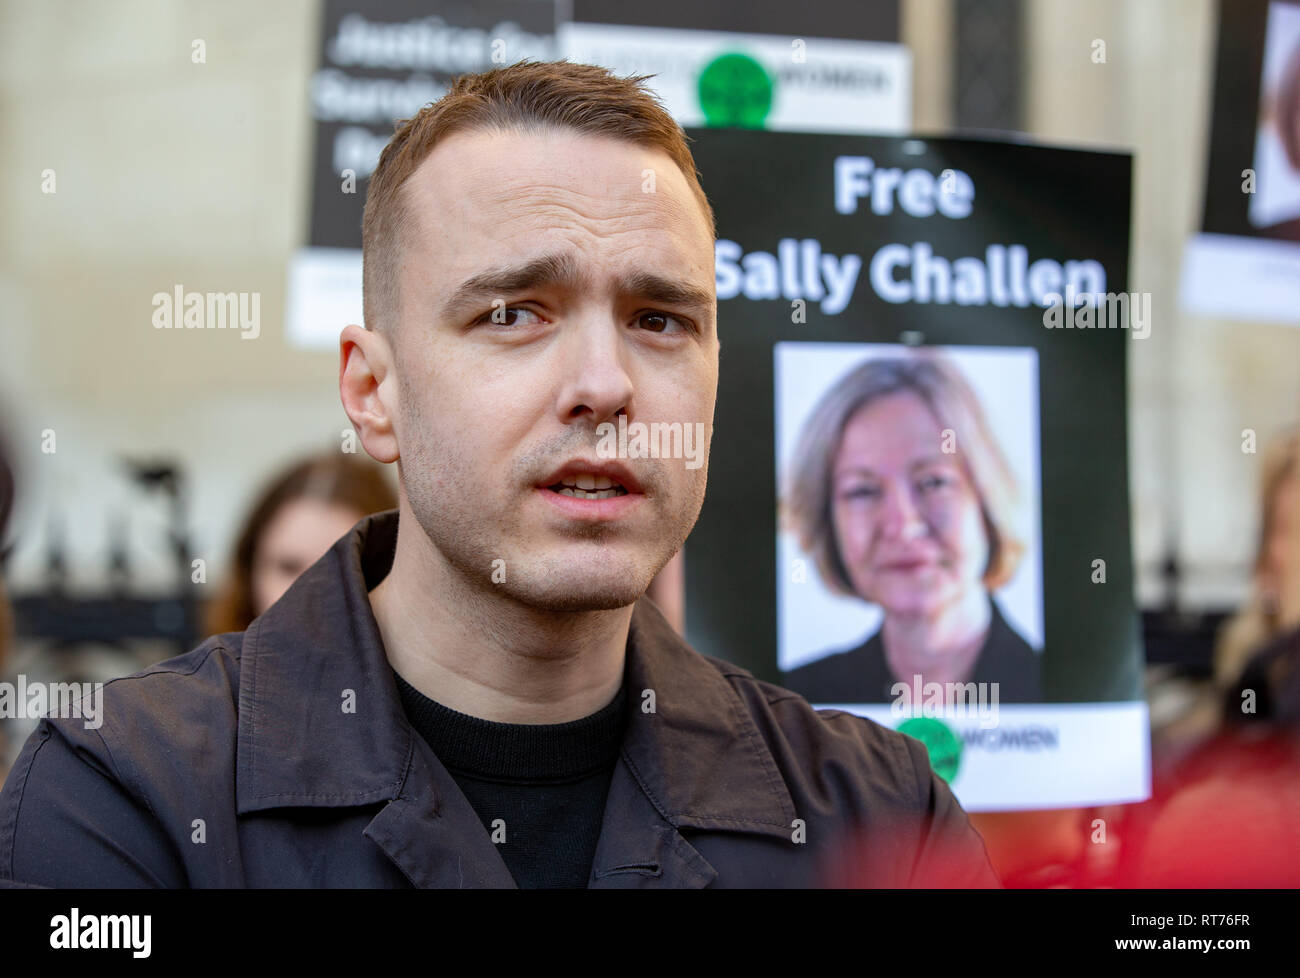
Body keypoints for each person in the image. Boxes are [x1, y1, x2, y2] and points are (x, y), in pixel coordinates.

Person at [0, 61, 997, 888]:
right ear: (371, 393)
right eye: (514, 313)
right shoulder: (130, 795)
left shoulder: (878, 820)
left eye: (660, 320)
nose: (604, 386)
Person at [781, 353, 1041, 703]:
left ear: (987, 497)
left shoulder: (1074, 692)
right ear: (827, 521)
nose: (903, 526)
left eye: (933, 482)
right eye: (863, 490)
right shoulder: (794, 704)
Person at [204, 452, 397, 635]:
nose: (307, 599)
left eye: (341, 570)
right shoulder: (201, 667)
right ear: (248, 571)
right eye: (288, 567)